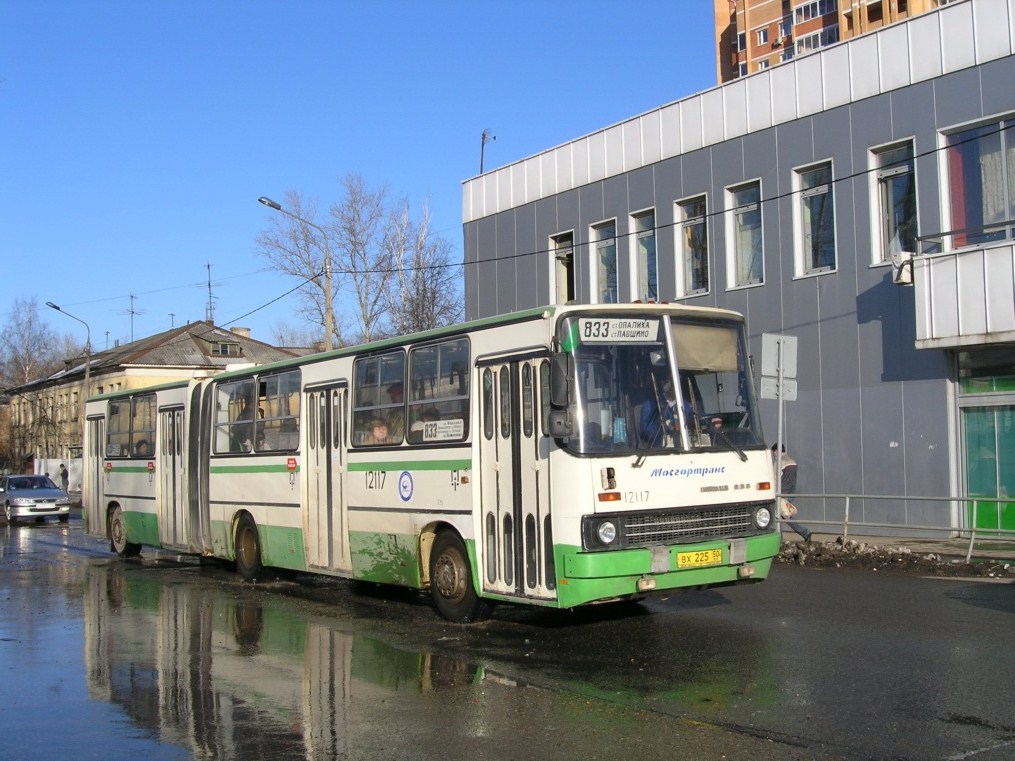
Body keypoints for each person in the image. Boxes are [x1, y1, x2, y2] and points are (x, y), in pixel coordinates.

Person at [772, 443, 812, 542]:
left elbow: (775, 478)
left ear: (776, 451)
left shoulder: (779, 462)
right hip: (791, 492)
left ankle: (780, 539)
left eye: (773, 452)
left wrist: (774, 493)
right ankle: (804, 532)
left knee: (779, 516)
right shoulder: (792, 461)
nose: (773, 455)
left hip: (781, 493)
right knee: (783, 515)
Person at [640, 378, 679, 445]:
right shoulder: (652, 405)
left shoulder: (684, 404)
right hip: (659, 450)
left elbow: (701, 420)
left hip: (683, 447)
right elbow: (647, 433)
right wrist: (662, 425)